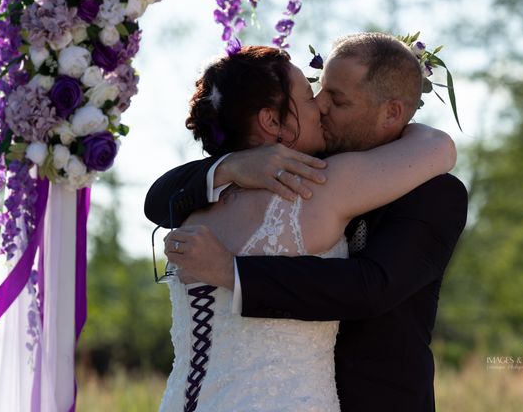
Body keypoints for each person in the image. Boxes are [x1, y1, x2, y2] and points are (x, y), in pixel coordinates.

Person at [146, 38, 461, 411]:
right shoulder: (292, 174)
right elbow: (156, 199)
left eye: (337, 100)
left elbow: (372, 288)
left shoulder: (433, 193)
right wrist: (231, 165)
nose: (322, 106)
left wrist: (233, 272)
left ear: (391, 113)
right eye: (316, 93)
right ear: (270, 121)